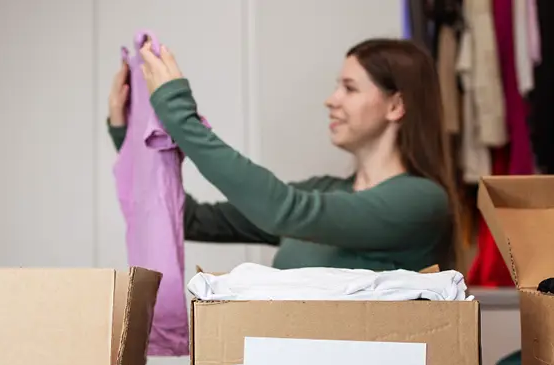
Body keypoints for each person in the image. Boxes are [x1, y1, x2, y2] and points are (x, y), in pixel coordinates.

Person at [107, 38, 459, 272]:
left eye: (349, 88)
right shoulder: (325, 190)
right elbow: (189, 219)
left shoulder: (421, 201)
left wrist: (180, 116)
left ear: (396, 105)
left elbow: (282, 211)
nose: (331, 99)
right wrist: (129, 134)